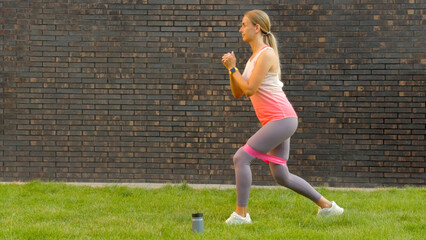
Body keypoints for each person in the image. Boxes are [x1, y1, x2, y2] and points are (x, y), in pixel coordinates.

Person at [221, 9, 344, 225]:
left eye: (243, 24)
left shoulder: (266, 54)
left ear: (256, 27)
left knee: (241, 157)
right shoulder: (252, 59)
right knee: (281, 175)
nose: (240, 29)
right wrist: (232, 70)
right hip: (277, 121)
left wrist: (233, 69)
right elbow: (238, 92)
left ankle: (241, 215)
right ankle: (329, 207)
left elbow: (249, 89)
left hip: (282, 118)